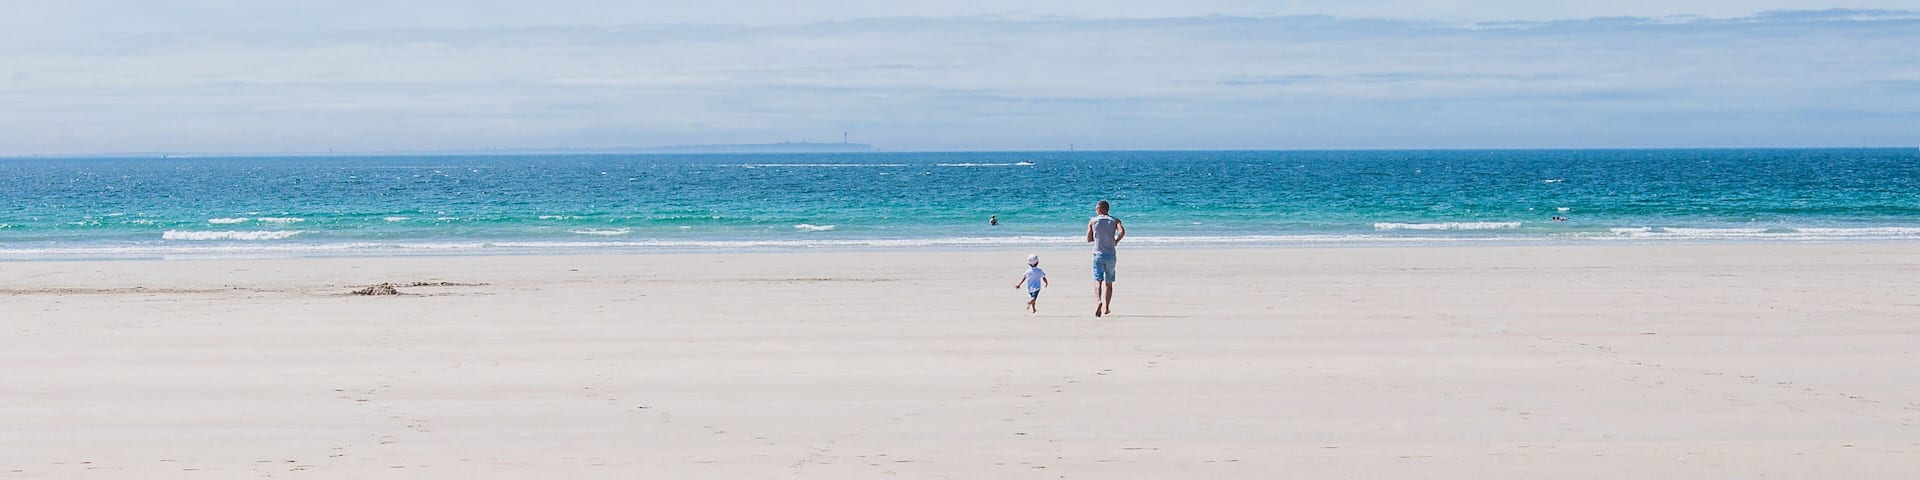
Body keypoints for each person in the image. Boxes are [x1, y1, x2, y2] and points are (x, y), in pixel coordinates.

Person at [1085, 200, 1125, 317]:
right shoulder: (1115, 220)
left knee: (1098, 280)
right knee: (1109, 283)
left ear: (1101, 209)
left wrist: (1097, 238)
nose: (1096, 210)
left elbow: (1088, 239)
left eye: (1097, 208)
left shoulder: (1093, 221)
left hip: (1098, 254)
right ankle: (1107, 307)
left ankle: (1098, 301)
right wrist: (1116, 241)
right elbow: (1122, 232)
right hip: (1111, 255)